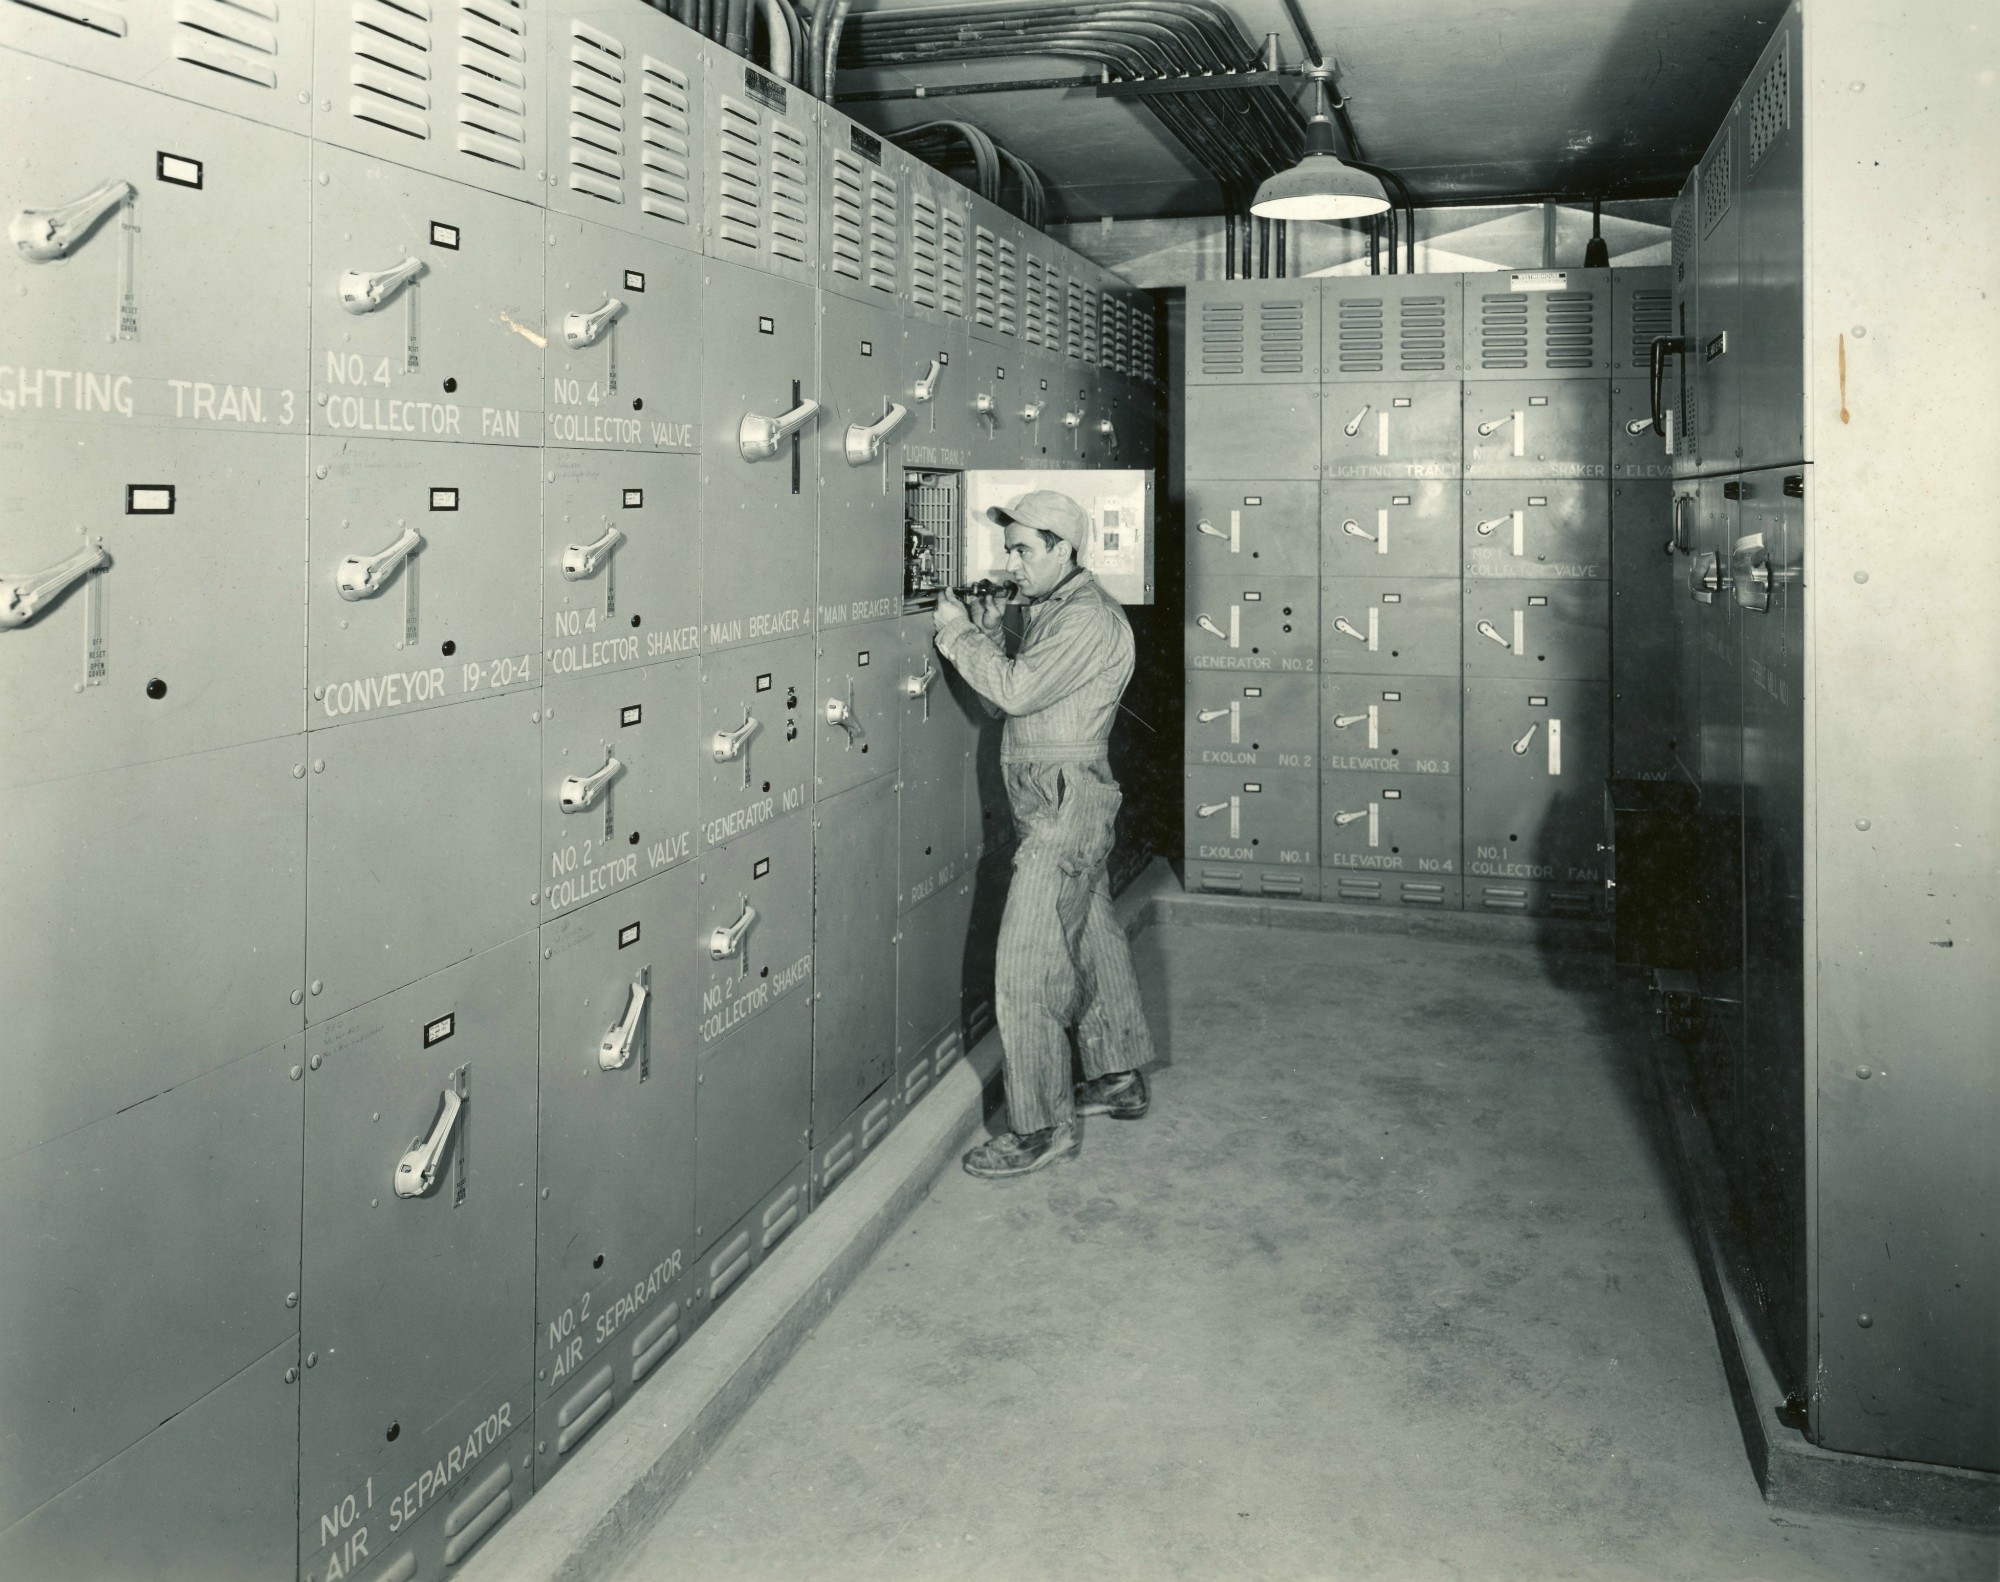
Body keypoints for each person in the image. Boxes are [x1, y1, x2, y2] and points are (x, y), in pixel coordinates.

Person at [931, 489, 1156, 1179]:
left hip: (1063, 806)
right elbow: (1037, 691)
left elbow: (1018, 695)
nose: (1011, 563)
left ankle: (1039, 1127)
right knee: (1090, 933)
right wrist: (998, 632)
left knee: (1026, 965)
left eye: (1025, 549)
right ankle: (1117, 1073)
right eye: (1009, 549)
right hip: (1061, 801)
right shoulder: (1061, 611)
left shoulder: (1085, 618)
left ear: (1063, 547)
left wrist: (957, 632)